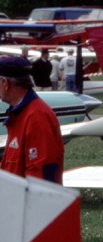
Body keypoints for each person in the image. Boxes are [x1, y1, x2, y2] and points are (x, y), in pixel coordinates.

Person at [0, 56, 65, 184]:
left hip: (28, 202)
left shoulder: (37, 117)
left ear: (5, 83)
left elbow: (41, 174)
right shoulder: (19, 113)